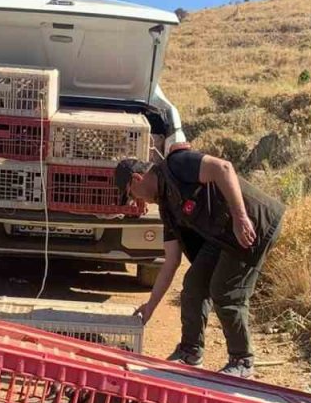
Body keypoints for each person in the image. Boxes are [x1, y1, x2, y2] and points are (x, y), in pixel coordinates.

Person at [116, 148, 285, 378]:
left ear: (137, 179)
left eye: (132, 195)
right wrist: (150, 307)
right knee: (194, 285)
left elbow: (223, 168)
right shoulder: (167, 208)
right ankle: (190, 352)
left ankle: (242, 360)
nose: (137, 202)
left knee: (225, 291)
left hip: (253, 223)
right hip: (223, 235)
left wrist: (240, 216)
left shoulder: (176, 165)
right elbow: (171, 261)